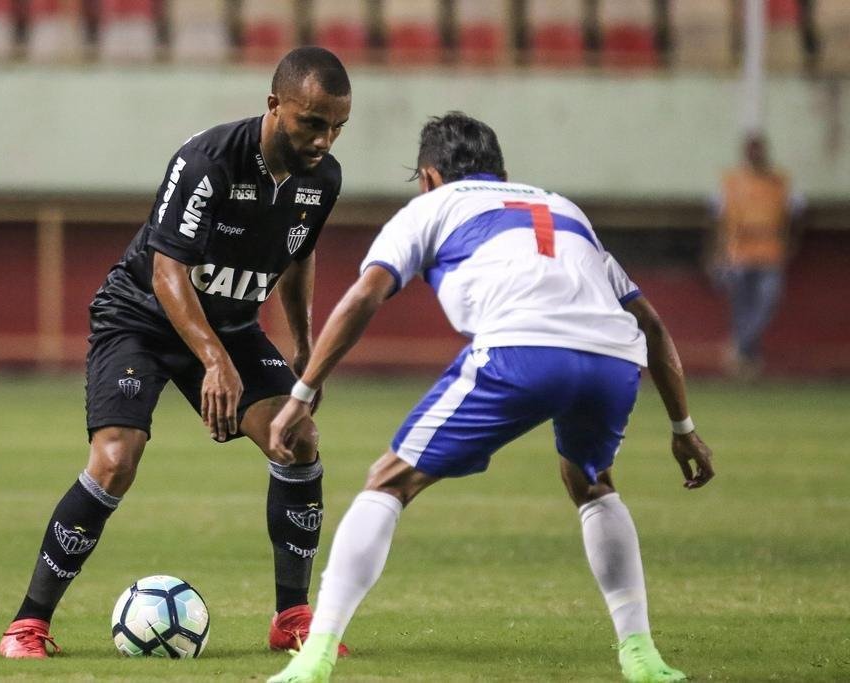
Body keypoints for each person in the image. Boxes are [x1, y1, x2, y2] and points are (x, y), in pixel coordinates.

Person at [266, 112, 715, 683]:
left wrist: (302, 392)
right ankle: (642, 656)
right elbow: (650, 324)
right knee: (592, 483)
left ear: (429, 176)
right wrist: (683, 429)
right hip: (612, 360)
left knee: (388, 481)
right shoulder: (564, 208)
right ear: (501, 171)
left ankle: (315, 657)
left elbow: (362, 298)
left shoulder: (430, 208)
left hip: (520, 352)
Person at [0, 46, 352, 658]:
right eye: (312, 122)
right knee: (115, 458)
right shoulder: (208, 161)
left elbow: (298, 255)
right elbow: (167, 273)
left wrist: (302, 344)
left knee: (297, 438)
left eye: (337, 127)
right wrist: (214, 361)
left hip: (230, 324)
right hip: (141, 317)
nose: (324, 140)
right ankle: (28, 625)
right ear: (274, 106)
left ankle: (292, 618)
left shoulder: (323, 179)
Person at [711, 133, 804, 378]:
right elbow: (718, 218)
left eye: (758, 149)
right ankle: (747, 359)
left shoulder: (778, 182)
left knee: (767, 303)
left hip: (770, 253)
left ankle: (739, 348)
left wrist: (791, 242)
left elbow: (797, 212)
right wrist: (716, 253)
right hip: (737, 255)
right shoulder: (732, 182)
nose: (755, 155)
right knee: (741, 308)